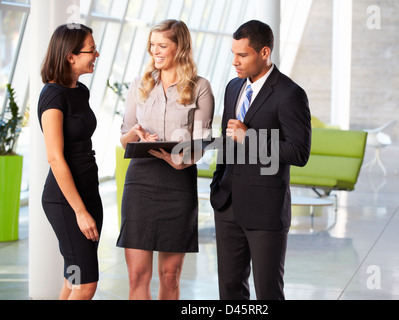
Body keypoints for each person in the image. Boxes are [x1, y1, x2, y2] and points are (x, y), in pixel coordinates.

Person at [210, 20, 311, 300]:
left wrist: (251, 138)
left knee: (268, 293)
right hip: (227, 205)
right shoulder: (233, 88)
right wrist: (218, 184)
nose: (235, 62)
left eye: (242, 55)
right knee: (229, 292)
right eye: (233, 54)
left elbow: (299, 152)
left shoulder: (290, 94)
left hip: (265, 211)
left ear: (264, 53)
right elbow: (226, 140)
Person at [116, 19, 214, 300]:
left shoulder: (200, 87)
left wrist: (181, 162)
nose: (155, 51)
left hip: (177, 181)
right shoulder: (140, 84)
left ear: (179, 47)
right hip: (140, 182)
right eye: (152, 45)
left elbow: (201, 141)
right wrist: (134, 134)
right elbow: (124, 138)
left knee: (170, 277)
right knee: (137, 276)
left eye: (162, 46)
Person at [38, 23, 102, 300]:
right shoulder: (53, 96)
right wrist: (79, 211)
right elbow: (55, 157)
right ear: (70, 56)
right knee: (85, 285)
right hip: (66, 201)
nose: (96, 54)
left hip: (89, 191)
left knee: (73, 275)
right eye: (91, 50)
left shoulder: (81, 90)